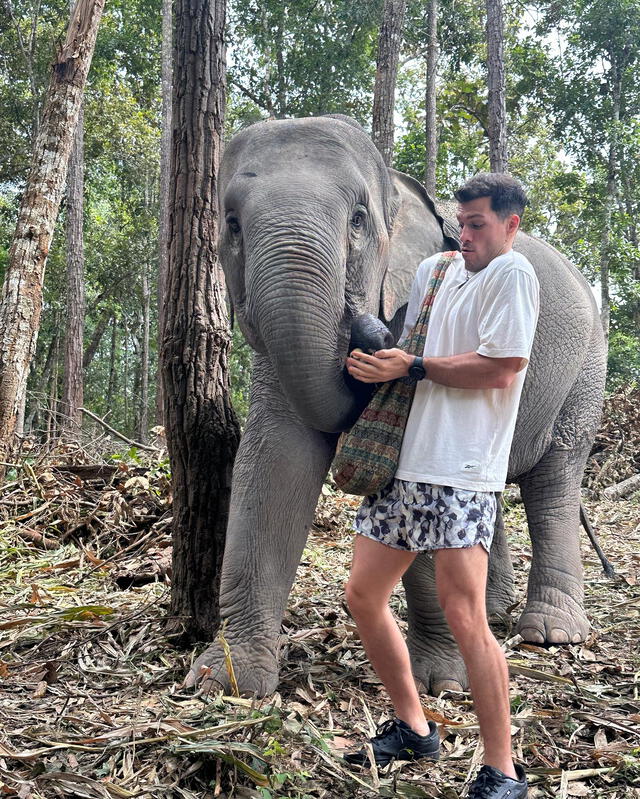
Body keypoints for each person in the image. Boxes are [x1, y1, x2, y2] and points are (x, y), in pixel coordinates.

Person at [343, 172, 539, 799]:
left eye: (479, 223)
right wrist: (383, 362)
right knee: (363, 595)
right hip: (404, 464)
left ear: (510, 225)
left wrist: (417, 365)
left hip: (461, 473)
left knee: (464, 615)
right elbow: (408, 352)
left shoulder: (514, 276)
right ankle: (411, 726)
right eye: (462, 222)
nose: (468, 234)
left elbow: (502, 369)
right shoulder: (435, 272)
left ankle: (503, 768)